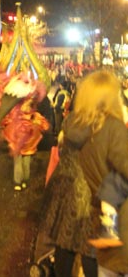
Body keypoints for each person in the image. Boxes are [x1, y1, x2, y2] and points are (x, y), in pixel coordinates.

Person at [39, 70, 128, 277]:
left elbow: (63, 148)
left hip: (65, 189)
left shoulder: (73, 121)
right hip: (90, 197)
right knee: (92, 252)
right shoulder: (108, 127)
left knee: (65, 244)